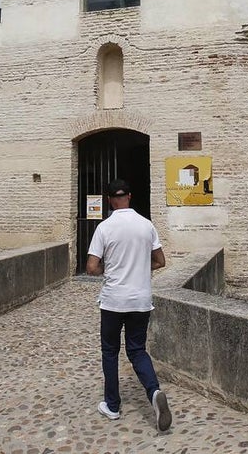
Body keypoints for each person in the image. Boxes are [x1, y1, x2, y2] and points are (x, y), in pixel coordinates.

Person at [85, 178, 172, 432]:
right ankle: (154, 391)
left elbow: (91, 267)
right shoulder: (146, 225)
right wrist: (138, 268)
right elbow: (160, 261)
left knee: (110, 352)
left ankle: (112, 405)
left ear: (110, 200)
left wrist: (109, 269)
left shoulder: (105, 227)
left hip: (113, 300)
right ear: (130, 197)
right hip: (140, 299)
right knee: (137, 350)